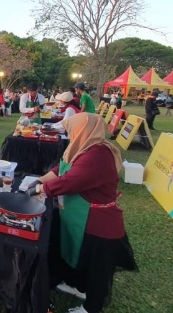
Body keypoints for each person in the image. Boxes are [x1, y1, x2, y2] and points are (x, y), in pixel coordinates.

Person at [33, 113, 137, 313]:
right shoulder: (82, 146)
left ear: (83, 130)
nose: (69, 132)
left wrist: (41, 190)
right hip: (78, 216)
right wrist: (40, 180)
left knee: (97, 269)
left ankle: (91, 308)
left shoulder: (98, 154)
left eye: (72, 128)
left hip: (98, 223)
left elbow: (71, 180)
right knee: (75, 254)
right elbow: (61, 168)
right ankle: (77, 285)